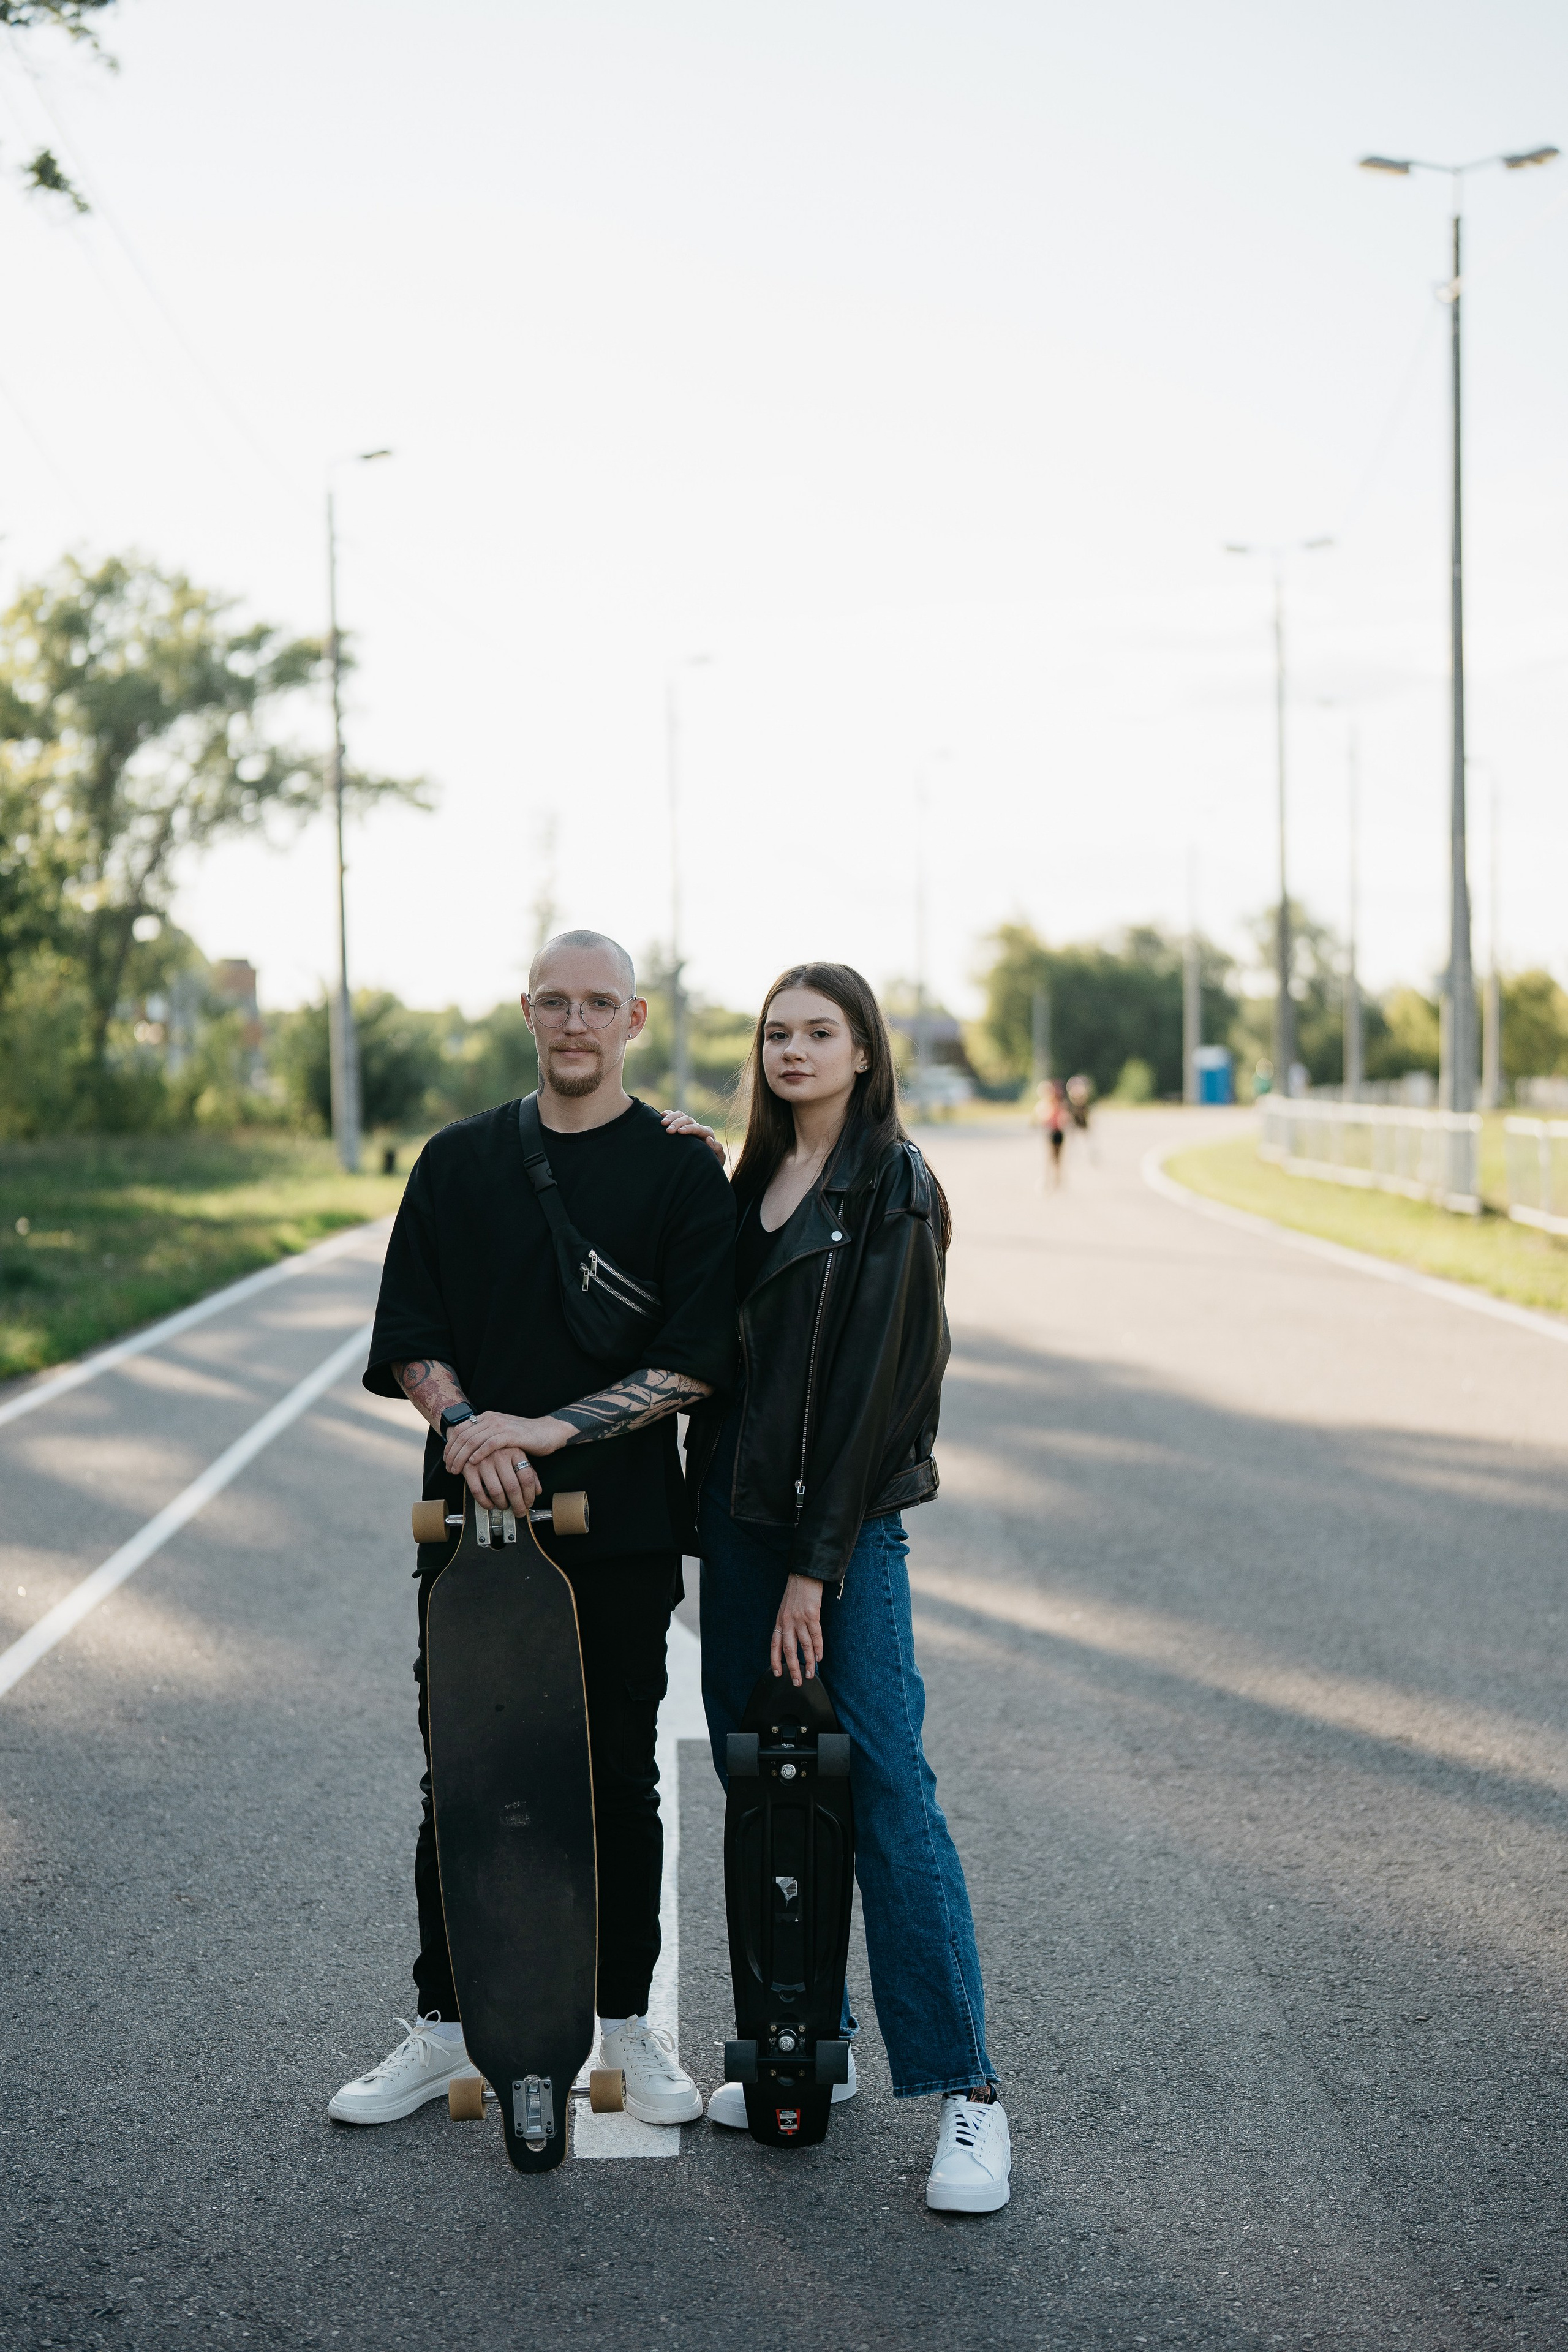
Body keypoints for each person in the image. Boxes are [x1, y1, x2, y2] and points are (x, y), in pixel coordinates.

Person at [328, 930, 736, 2132]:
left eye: (597, 1003)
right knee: (466, 1776)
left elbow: (696, 1361)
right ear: (525, 1012)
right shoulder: (456, 1162)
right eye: (554, 1002)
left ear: (635, 1020)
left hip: (618, 1534)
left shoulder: (679, 1175)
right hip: (472, 1536)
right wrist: (467, 1427)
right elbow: (411, 1329)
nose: (575, 1023)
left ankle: (622, 2028)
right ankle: (443, 2028)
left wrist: (546, 1431)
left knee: (615, 1781)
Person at [674, 962, 1011, 2215]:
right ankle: (811, 2048)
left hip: (842, 1539)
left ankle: (969, 2094)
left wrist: (814, 1570)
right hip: (742, 1528)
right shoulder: (747, 1183)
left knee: (885, 1795)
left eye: (820, 1032)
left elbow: (874, 1396)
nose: (794, 1050)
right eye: (775, 1033)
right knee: (760, 1785)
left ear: (865, 1052)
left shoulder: (895, 1189)